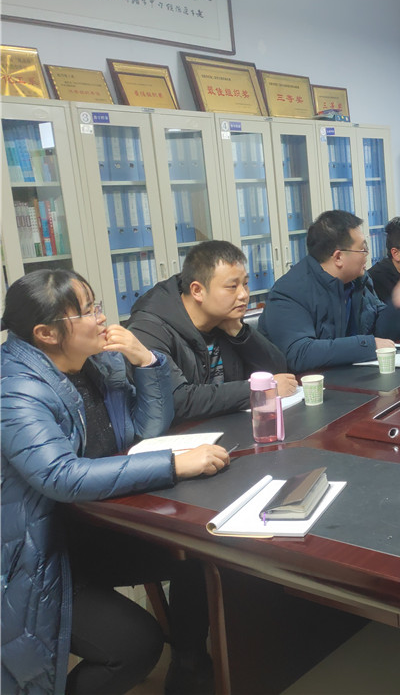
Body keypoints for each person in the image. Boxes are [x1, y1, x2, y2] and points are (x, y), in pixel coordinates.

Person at [1, 270, 230, 695]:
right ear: (46, 333)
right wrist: (173, 465)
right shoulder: (15, 389)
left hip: (92, 527)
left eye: (97, 305)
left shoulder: (95, 362)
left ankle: (190, 668)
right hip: (34, 557)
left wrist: (147, 362)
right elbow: (60, 475)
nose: (102, 318)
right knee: (134, 646)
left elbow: (144, 430)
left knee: (195, 557)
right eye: (88, 311)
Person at [127, 239, 295, 423]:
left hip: (229, 425)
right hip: (183, 435)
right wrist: (259, 391)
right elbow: (176, 400)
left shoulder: (224, 319)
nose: (243, 294)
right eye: (232, 287)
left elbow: (278, 372)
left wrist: (240, 334)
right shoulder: (150, 328)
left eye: (245, 284)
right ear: (197, 290)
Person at [259, 210, 400, 371]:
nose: (367, 255)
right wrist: (367, 345)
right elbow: (300, 353)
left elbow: (379, 330)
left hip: (351, 377)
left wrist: (397, 306)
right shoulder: (290, 291)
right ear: (338, 257)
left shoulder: (359, 280)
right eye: (362, 249)